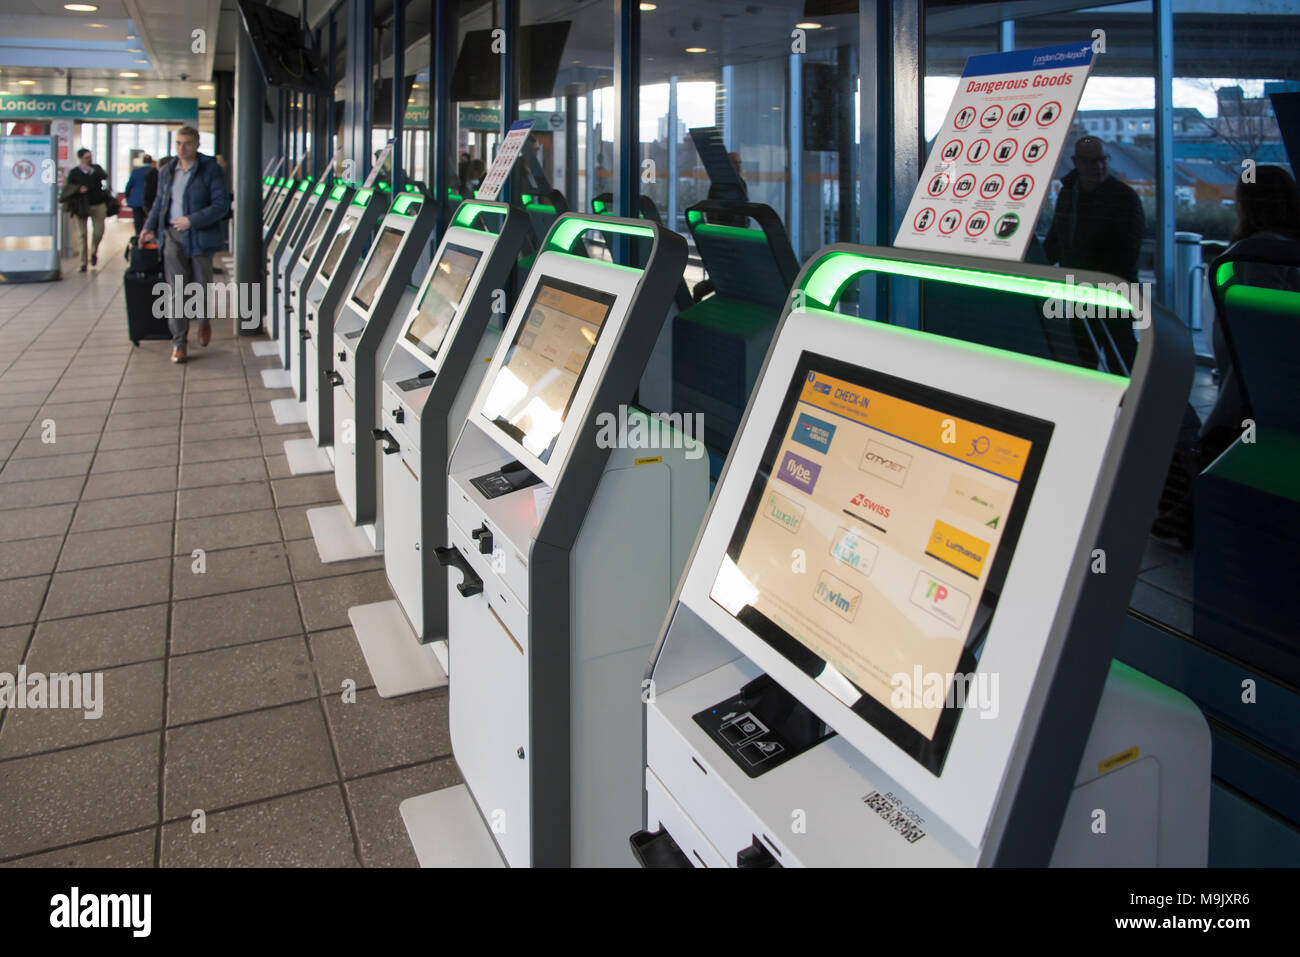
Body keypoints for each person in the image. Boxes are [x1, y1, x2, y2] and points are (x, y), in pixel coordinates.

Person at [1199, 165, 1300, 467]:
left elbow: (1256, 344)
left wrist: (1218, 421)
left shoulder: (1256, 254)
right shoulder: (1287, 249)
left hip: (1253, 398)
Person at [140, 127, 230, 364]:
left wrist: (192, 220)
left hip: (199, 236)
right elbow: (160, 203)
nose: (182, 148)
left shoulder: (210, 169)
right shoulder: (167, 171)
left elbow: (221, 205)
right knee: (176, 291)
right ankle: (179, 342)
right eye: (178, 143)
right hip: (171, 235)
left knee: (200, 286)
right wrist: (148, 227)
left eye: (187, 143)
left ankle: (203, 320)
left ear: (197, 144)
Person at [1044, 136, 1145, 284]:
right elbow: (1057, 240)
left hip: (1111, 288)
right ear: (1076, 162)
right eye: (1091, 161)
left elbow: (1127, 255)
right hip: (1084, 286)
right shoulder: (1068, 193)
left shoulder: (1125, 198)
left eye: (1103, 160)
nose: (1099, 166)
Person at [62, 148, 111, 272]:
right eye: (86, 158)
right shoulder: (74, 172)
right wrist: (78, 189)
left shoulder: (96, 168)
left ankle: (93, 252)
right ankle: (83, 262)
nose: (89, 159)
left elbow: (104, 176)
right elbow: (68, 187)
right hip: (81, 206)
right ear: (80, 159)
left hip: (98, 204)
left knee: (98, 232)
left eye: (90, 157)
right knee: (82, 234)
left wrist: (92, 170)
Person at [124, 155, 156, 235]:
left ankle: (138, 239)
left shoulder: (136, 172)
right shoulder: (155, 171)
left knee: (138, 223)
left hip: (136, 201)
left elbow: (128, 187)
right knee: (150, 222)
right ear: (151, 162)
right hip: (151, 201)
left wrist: (128, 199)